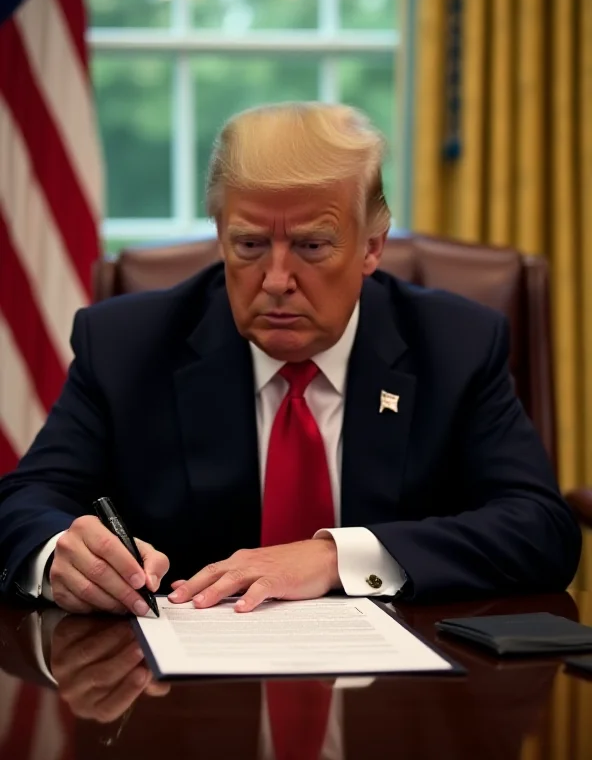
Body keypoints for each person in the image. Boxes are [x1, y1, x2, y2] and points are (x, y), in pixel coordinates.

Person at [0, 102, 581, 616]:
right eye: (249, 245)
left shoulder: (456, 343)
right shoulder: (127, 343)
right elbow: (25, 502)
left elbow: (540, 528)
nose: (277, 281)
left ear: (371, 246)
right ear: (221, 234)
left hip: (397, 701)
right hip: (187, 703)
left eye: (311, 246)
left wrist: (335, 555)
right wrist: (58, 554)